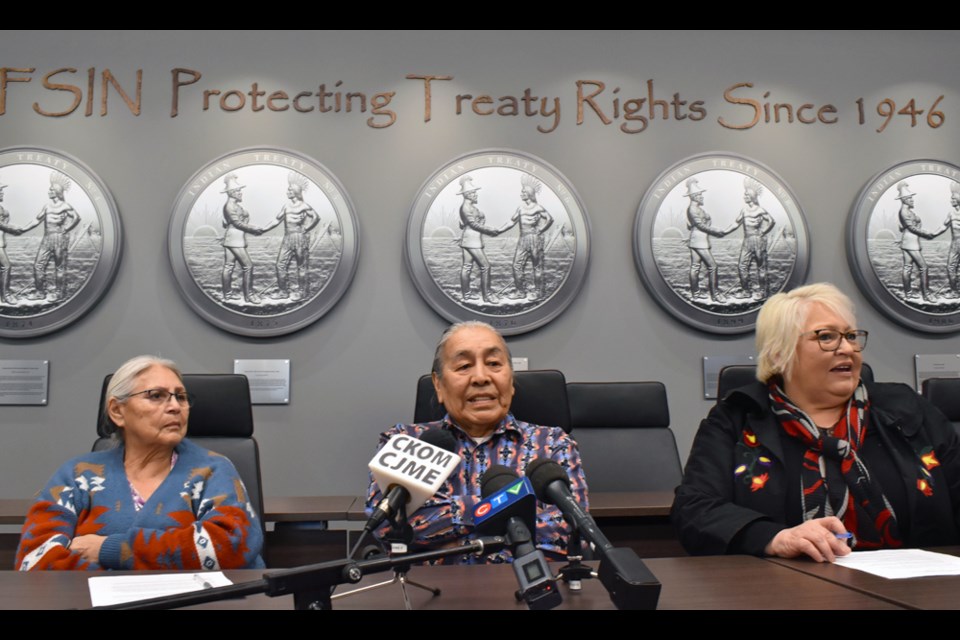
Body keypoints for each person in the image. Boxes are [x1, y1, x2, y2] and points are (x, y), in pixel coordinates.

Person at [672, 283, 960, 562]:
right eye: (826, 337)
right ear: (779, 353)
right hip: (784, 590)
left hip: (915, 587)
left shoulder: (907, 412)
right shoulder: (737, 419)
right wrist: (775, 538)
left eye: (850, 336)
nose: (846, 348)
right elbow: (695, 509)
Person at [365, 321, 588, 564]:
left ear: (511, 381)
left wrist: (449, 534)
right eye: (464, 365)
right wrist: (508, 514)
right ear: (438, 384)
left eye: (493, 364)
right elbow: (387, 527)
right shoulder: (404, 442)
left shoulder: (552, 443)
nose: (481, 377)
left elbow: (571, 531)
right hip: (429, 594)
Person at [15, 355, 264, 571]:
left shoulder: (213, 469)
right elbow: (34, 558)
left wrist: (109, 550)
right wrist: (119, 589)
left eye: (181, 397)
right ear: (117, 411)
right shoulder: (78, 475)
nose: (175, 407)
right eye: (156, 396)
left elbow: (231, 545)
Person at [20, 172, 80, 302]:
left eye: (51, 189)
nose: (49, 191)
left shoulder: (65, 206)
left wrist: (66, 228)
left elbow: (76, 217)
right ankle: (40, 292)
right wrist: (24, 228)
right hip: (47, 238)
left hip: (59, 238)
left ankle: (59, 293)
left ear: (57, 191)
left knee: (59, 266)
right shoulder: (47, 206)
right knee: (38, 265)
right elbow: (37, 220)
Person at [265, 171, 321, 302]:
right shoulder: (286, 206)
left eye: (289, 190)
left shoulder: (304, 205)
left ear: (295, 191)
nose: (287, 192)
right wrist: (262, 229)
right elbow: (276, 220)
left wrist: (306, 228)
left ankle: (303, 292)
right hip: (287, 238)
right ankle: (283, 291)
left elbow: (316, 217)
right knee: (280, 264)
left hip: (299, 238)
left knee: (301, 266)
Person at [499, 174, 554, 301]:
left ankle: (539, 292)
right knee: (516, 265)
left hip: (534, 239)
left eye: (523, 192)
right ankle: (520, 292)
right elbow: (511, 222)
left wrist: (541, 229)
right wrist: (498, 230)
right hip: (523, 239)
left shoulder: (538, 207)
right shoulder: (520, 208)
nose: (521, 194)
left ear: (529, 193)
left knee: (537, 266)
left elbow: (550, 219)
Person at [684, 178, 735, 303]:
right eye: (700, 195)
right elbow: (701, 226)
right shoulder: (693, 209)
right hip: (700, 241)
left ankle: (695, 294)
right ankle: (715, 294)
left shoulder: (694, 208)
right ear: (695, 196)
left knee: (695, 267)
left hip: (696, 240)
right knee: (713, 267)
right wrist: (716, 231)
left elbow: (693, 225)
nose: (702, 197)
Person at [220, 173, 266, 304]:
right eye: (238, 191)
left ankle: (227, 294)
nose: (241, 193)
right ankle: (249, 295)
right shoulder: (230, 206)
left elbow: (228, 223)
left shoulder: (232, 205)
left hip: (232, 238)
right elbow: (237, 224)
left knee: (228, 266)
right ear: (232, 192)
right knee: (248, 266)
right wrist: (253, 229)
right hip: (235, 240)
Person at [897, 181, 946, 303]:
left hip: (907, 242)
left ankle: (908, 294)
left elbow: (906, 227)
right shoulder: (905, 212)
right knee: (923, 268)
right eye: (910, 198)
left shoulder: (905, 211)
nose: (913, 200)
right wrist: (927, 234)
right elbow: (912, 228)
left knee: (907, 267)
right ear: (904, 200)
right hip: (911, 243)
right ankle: (926, 294)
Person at [456, 176, 501, 304]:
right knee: (486, 266)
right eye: (474, 193)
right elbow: (474, 225)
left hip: (469, 240)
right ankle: (487, 295)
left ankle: (466, 294)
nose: (476, 195)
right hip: (472, 241)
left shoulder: (468, 206)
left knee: (467, 267)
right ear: (468, 195)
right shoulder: (466, 208)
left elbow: (467, 223)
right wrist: (489, 230)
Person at [732, 177, 775, 300]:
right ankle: (746, 291)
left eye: (746, 194)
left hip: (758, 240)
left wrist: (763, 231)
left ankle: (763, 292)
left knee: (761, 267)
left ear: (752, 195)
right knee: (742, 266)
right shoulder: (744, 210)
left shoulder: (760, 210)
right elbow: (736, 223)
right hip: (747, 241)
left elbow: (772, 221)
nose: (744, 196)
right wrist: (723, 232)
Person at [0, 181, 27, 305]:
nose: (2, 193)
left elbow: (3, 225)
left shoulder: (3, 210)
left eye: (2, 190)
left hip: (1, 242)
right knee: (6, 266)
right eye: (0, 191)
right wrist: (12, 229)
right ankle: (5, 296)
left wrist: (13, 227)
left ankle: (4, 292)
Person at [944, 181, 960, 299]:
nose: (951, 200)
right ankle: (954, 292)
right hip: (955, 244)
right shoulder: (951, 213)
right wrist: (928, 234)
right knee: (950, 267)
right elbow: (943, 226)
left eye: (953, 197)